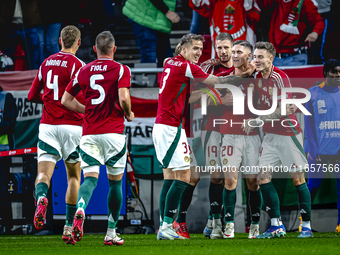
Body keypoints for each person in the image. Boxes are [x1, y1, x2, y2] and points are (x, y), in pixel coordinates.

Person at [154, 33, 247, 240]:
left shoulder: (171, 62)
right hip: (173, 127)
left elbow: (189, 95)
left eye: (200, 49)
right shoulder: (187, 66)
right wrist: (241, 76)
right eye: (194, 48)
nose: (198, 52)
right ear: (183, 49)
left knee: (173, 176)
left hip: (170, 126)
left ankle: (166, 225)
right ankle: (169, 224)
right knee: (186, 176)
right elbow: (213, 80)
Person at [61, 31, 134, 246]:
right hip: (113, 134)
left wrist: (86, 110)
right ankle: (111, 232)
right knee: (115, 184)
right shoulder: (121, 69)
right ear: (114, 49)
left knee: (90, 179)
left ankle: (81, 207)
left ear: (94, 49)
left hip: (90, 134)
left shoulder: (83, 70)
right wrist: (128, 113)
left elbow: (66, 100)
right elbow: (123, 98)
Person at [242, 41, 312, 238]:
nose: (256, 60)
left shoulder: (279, 78)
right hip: (271, 135)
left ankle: (306, 226)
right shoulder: (256, 77)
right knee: (262, 178)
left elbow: (283, 110)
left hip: (288, 133)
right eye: (255, 57)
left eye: (260, 57)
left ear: (271, 59)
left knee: (297, 179)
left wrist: (257, 120)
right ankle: (276, 225)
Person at [27, 25, 84, 244]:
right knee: (73, 177)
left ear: (59, 40)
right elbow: (85, 98)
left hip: (47, 126)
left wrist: (49, 100)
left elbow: (32, 95)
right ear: (78, 42)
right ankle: (68, 227)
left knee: (43, 175)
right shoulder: (79, 65)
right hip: (72, 126)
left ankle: (41, 197)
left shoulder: (46, 62)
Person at [218, 40, 262, 239]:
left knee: (253, 182)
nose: (233, 55)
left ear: (249, 56)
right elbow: (200, 91)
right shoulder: (224, 77)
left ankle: (254, 224)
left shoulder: (259, 78)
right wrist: (218, 100)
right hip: (229, 134)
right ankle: (228, 224)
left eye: (239, 52)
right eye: (233, 51)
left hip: (252, 136)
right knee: (230, 180)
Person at [200, 32, 235, 239]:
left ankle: (222, 222)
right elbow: (198, 95)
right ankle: (215, 222)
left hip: (235, 129)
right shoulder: (209, 67)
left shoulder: (243, 66)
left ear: (232, 48)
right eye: (219, 48)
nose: (222, 52)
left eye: (225, 48)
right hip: (212, 127)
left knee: (233, 177)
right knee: (216, 176)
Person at [304, 59, 340, 232]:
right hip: (318, 151)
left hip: (338, 150)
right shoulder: (312, 94)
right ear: (326, 74)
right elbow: (308, 125)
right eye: (335, 74)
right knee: (311, 187)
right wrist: (312, 148)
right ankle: (305, 224)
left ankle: (339, 225)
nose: (338, 77)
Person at [257, 0, 325, 66]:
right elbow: (264, 5)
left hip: (296, 56)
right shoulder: (276, 2)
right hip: (276, 57)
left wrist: (315, 32)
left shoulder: (305, 2)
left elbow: (318, 21)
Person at [189, 0, 261, 58]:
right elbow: (195, 3)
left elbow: (255, 15)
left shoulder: (247, 2)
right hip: (220, 60)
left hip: (244, 59)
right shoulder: (214, 3)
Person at [123, 0, 179, 66]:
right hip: (144, 16)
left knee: (165, 57)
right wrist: (166, 11)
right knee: (149, 56)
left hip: (156, 18)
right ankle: (147, 76)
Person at [0, 0, 42, 70]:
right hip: (9, 25)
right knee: (5, 62)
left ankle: (35, 80)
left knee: (34, 62)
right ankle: (6, 80)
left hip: (29, 25)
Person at [0, 86, 18, 234]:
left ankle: (7, 225)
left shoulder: (6, 97)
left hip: (3, 153)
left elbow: (10, 124)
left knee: (2, 191)